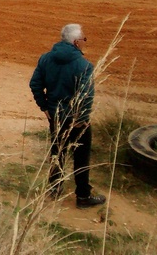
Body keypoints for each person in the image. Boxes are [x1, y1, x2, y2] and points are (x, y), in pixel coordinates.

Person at [29, 24, 106, 209]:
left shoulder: (45, 59)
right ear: (76, 42)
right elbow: (86, 96)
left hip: (55, 116)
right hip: (76, 120)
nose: (84, 44)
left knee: (57, 152)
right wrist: (82, 119)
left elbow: (35, 84)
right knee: (81, 156)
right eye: (83, 40)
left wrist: (44, 107)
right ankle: (83, 196)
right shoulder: (84, 65)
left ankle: (55, 189)